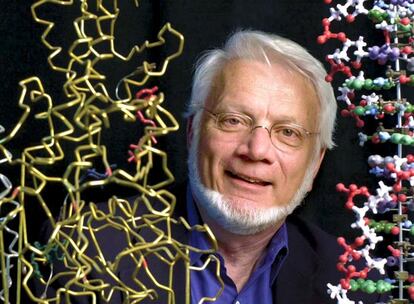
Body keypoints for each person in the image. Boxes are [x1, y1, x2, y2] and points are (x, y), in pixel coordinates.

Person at [34, 30, 385, 304]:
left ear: (314, 163)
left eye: (288, 132)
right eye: (233, 120)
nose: (257, 150)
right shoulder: (86, 246)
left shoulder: (350, 282)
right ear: (193, 132)